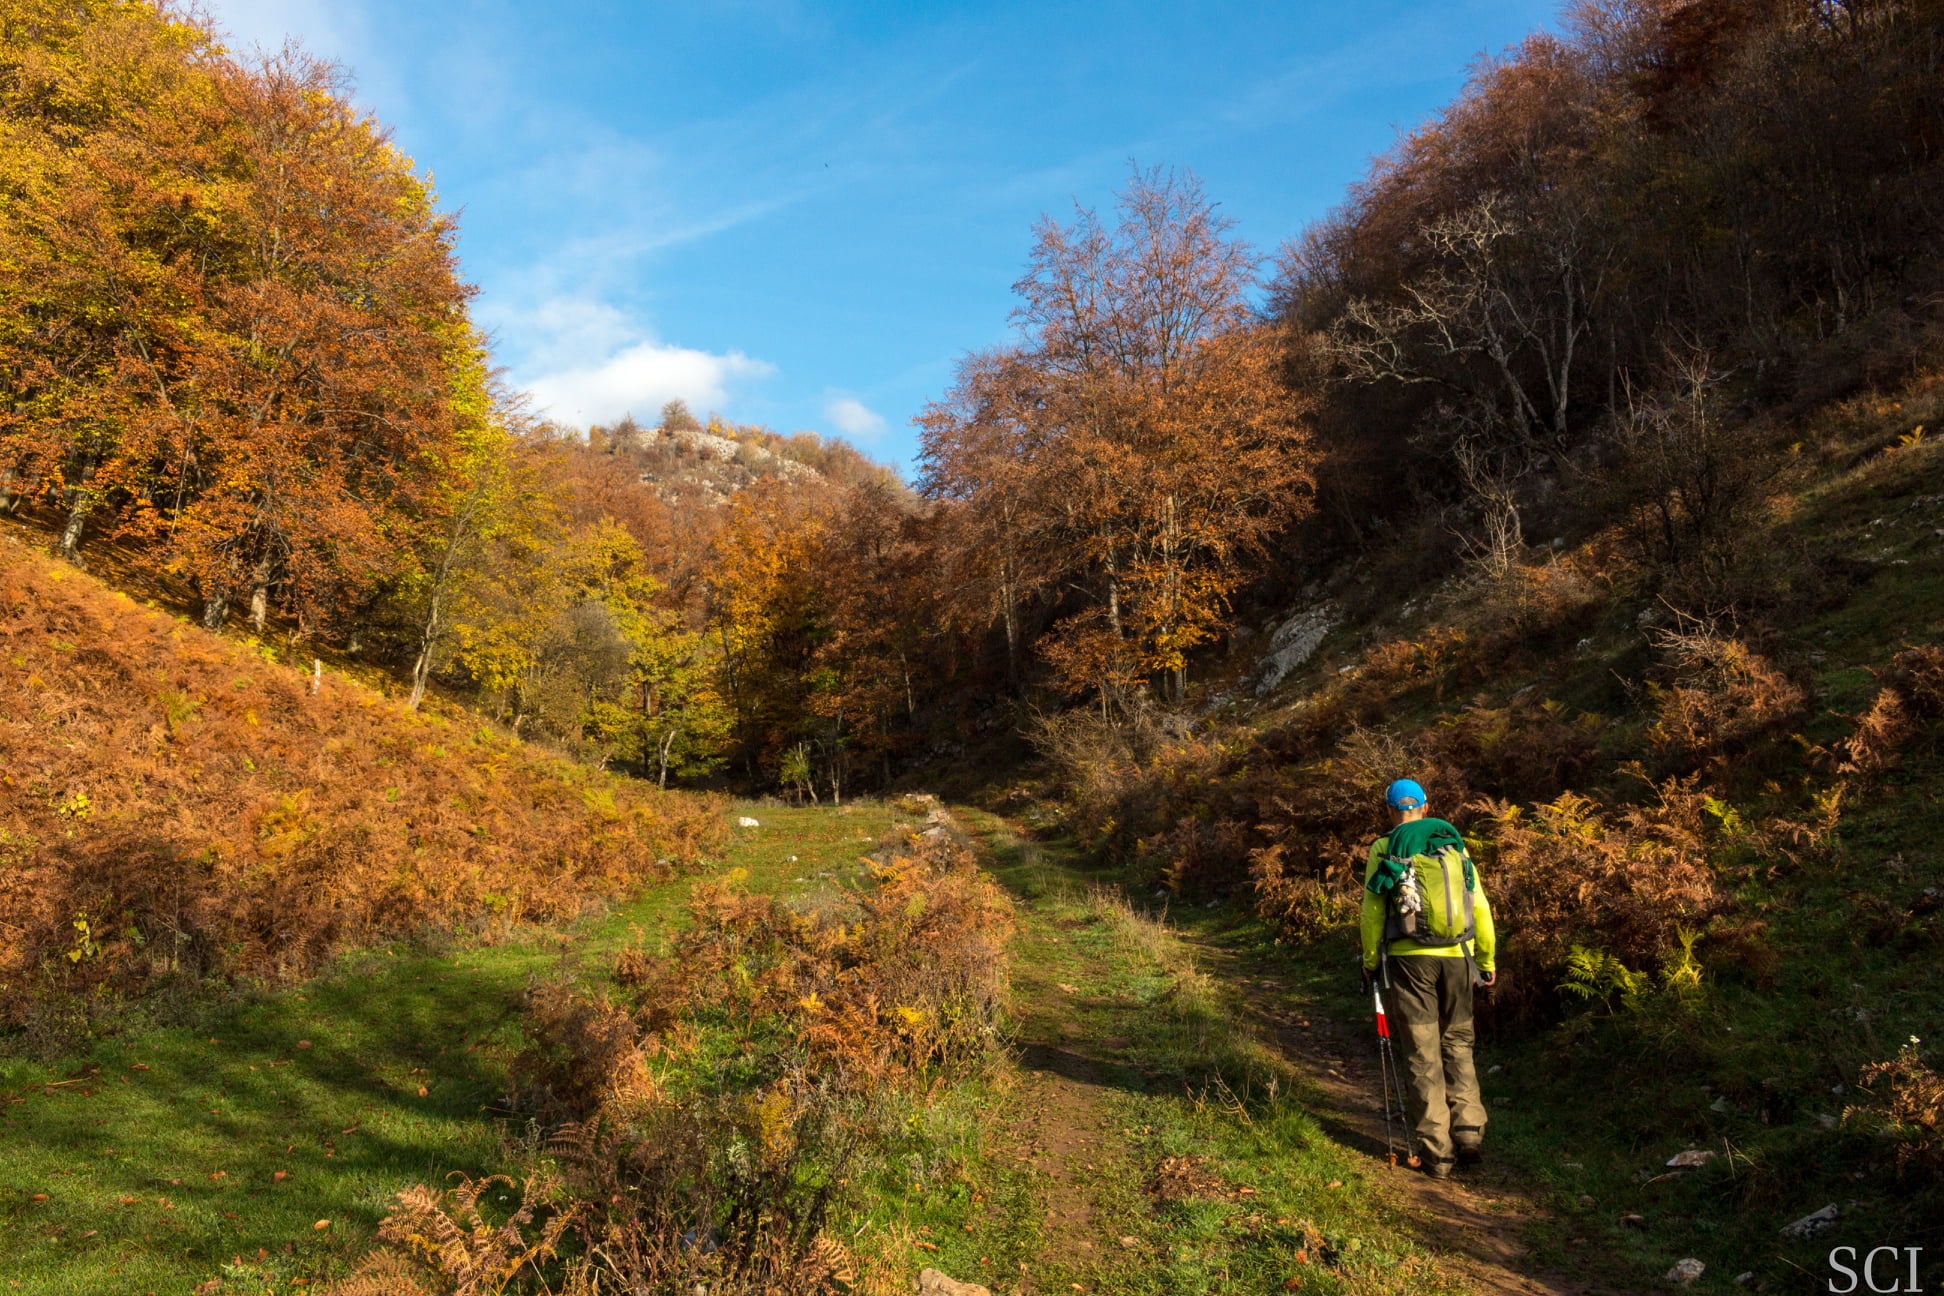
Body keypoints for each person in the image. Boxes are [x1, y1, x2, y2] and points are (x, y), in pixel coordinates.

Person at [1360, 777, 1497, 1179]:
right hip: (1458, 957)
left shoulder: (1385, 847)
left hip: (1408, 962)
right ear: (1424, 806)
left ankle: (1438, 1152)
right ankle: (1470, 1132)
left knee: (1422, 1050)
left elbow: (1371, 912)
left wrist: (1370, 961)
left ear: (1389, 810)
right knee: (1458, 1042)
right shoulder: (1452, 844)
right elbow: (1481, 908)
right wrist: (1485, 959)